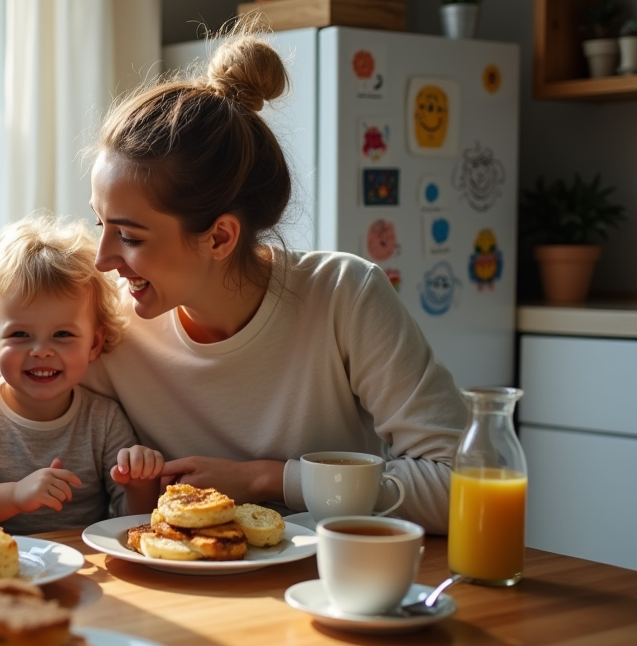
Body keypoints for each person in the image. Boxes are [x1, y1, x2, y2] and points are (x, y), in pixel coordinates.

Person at [86, 32, 466, 534]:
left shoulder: (343, 296)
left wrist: (269, 479)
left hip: (333, 573)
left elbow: (459, 484)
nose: (103, 260)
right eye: (100, 224)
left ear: (219, 237)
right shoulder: (105, 324)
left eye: (129, 237)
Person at [0, 218, 162, 534]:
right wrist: (15, 496)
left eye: (62, 334)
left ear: (94, 344)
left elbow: (133, 523)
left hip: (83, 562)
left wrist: (140, 484)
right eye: (20, 334)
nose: (42, 351)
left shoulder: (103, 419)